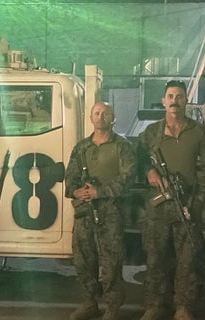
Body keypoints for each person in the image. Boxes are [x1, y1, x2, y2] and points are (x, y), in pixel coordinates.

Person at [137, 80, 205, 320]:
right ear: (163, 101)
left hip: (187, 207)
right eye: (170, 96)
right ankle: (154, 305)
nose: (174, 101)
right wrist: (148, 171)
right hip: (158, 209)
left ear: (186, 101)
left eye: (179, 96)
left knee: (187, 262)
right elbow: (137, 160)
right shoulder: (151, 133)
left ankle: (182, 307)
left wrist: (197, 203)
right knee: (154, 259)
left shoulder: (198, 132)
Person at [64, 102, 135, 320]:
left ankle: (112, 307)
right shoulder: (81, 148)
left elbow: (128, 178)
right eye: (96, 113)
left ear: (113, 118)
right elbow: (70, 179)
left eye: (105, 113)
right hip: (85, 213)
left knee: (111, 262)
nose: (100, 116)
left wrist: (100, 192)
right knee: (84, 260)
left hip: (111, 213)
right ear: (90, 118)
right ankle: (89, 302)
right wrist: (77, 192)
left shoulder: (122, 146)